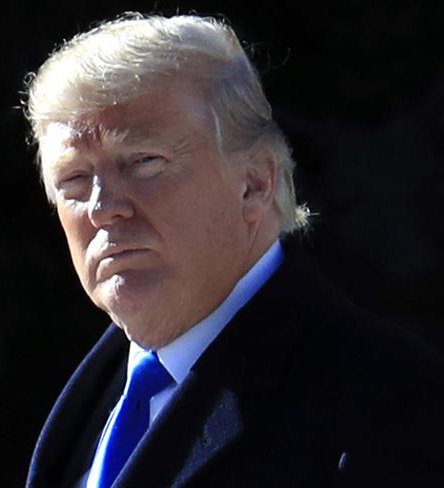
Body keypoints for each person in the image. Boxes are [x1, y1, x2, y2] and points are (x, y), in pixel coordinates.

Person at [23, 13, 444, 487]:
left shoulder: (387, 406)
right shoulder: (88, 401)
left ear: (255, 183)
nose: (103, 209)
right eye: (75, 180)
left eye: (143, 162)